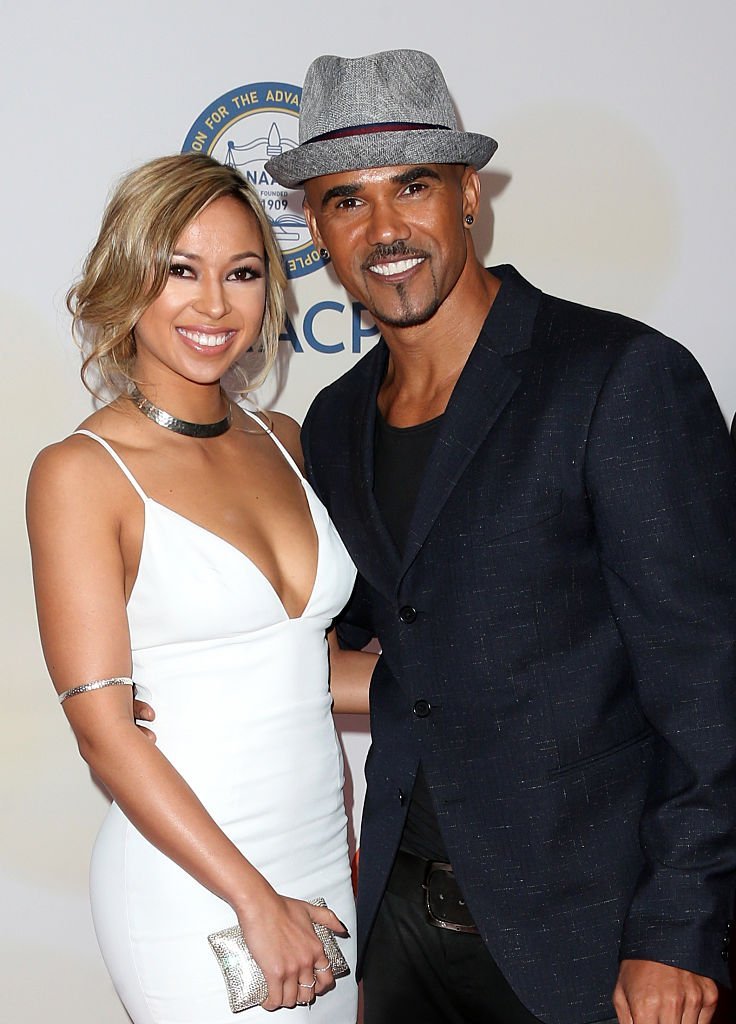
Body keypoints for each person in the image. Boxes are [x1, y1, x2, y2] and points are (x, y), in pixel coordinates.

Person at [264, 49, 736, 1024]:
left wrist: (674, 931)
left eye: (413, 186)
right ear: (315, 226)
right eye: (347, 200)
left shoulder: (615, 377)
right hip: (398, 927)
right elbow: (365, 644)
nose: (385, 229)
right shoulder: (339, 422)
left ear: (468, 195)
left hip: (593, 939)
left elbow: (710, 680)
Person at [26, 153, 373, 1023]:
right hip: (196, 882)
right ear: (127, 280)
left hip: (322, 856)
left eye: (243, 273)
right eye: (180, 270)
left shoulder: (285, 440)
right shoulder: (82, 473)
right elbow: (106, 738)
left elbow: (310, 670)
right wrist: (255, 902)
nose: (215, 305)